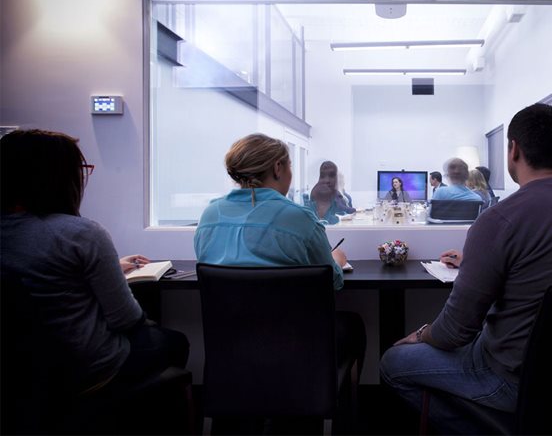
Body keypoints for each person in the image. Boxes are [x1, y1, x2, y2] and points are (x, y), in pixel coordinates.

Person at [380, 104, 552, 434]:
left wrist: (419, 334)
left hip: (508, 378)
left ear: (513, 149)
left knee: (392, 363)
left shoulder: (499, 219)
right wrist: (478, 261)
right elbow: (541, 265)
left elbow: (453, 333)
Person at [0, 129, 189, 395]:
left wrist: (111, 268)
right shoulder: (81, 234)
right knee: (173, 340)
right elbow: (125, 319)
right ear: (57, 178)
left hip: (19, 370)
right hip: (85, 367)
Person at [194, 134, 366, 374]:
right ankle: (328, 395)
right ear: (277, 168)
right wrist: (336, 259)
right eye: (290, 166)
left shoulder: (210, 216)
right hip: (294, 345)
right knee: (352, 325)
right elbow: (333, 282)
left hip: (231, 346)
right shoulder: (299, 218)